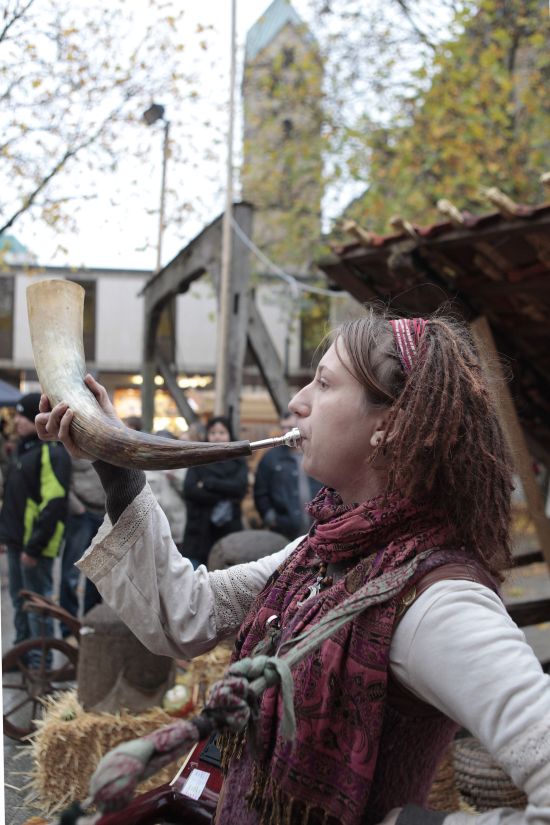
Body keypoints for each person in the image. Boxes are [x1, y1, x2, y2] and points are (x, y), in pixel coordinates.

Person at [37, 309, 550, 825]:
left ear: (390, 424)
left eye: (324, 384)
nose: (296, 402)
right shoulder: (319, 554)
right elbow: (187, 614)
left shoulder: (440, 602)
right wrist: (117, 470)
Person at [0, 393, 70, 660]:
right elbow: (13, 500)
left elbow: (54, 503)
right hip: (17, 542)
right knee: (20, 602)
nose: (16, 421)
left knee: (38, 607)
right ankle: (21, 657)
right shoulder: (24, 449)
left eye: (22, 415)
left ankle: (41, 664)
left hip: (34, 547)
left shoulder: (51, 452)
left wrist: (34, 547)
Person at [181, 416, 248, 568]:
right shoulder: (198, 459)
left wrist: (208, 483)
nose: (217, 436)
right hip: (199, 531)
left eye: (222, 432)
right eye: (213, 432)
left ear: (229, 434)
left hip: (229, 528)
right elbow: (190, 490)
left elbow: (240, 488)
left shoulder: (239, 460)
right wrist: (225, 493)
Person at [254, 410, 322, 539]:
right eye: (283, 427)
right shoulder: (270, 458)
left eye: (290, 428)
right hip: (284, 531)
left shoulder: (316, 455)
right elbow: (260, 492)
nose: (286, 432)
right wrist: (271, 518)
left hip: (318, 529)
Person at [59, 456, 106, 634]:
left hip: (103, 513)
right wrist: (76, 507)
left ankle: (91, 625)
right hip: (81, 514)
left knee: (97, 573)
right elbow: (62, 479)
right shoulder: (70, 447)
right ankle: (68, 629)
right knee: (70, 575)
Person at [145, 429, 187, 551]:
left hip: (175, 524)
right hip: (153, 525)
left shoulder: (182, 465)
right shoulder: (145, 467)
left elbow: (188, 491)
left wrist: (175, 477)